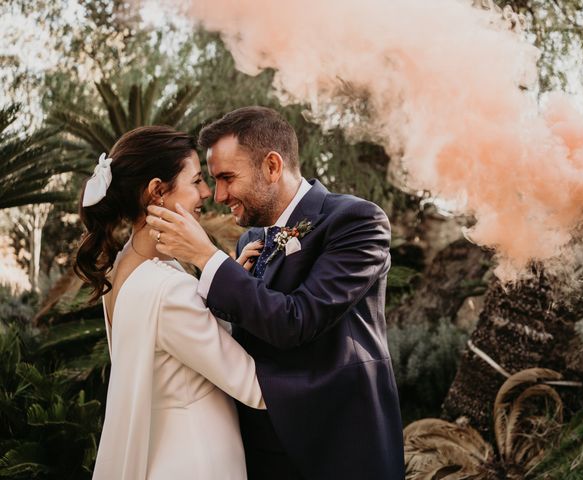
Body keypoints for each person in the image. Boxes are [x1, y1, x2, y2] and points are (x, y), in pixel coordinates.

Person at [145, 107, 405, 480]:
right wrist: (228, 281)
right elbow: (242, 337)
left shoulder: (357, 222)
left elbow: (297, 321)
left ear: (271, 166)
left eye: (227, 178)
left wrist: (207, 257)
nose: (218, 195)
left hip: (340, 448)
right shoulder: (252, 239)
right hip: (263, 451)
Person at [73, 126, 265, 480]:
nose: (206, 193)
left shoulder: (124, 268)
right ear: (157, 192)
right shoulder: (167, 290)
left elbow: (174, 343)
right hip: (200, 460)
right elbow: (253, 386)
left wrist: (227, 283)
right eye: (195, 182)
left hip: (163, 457)